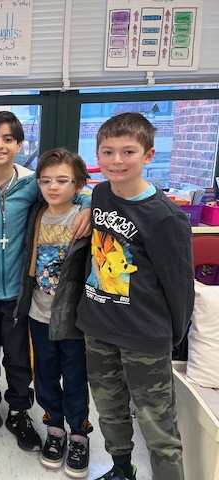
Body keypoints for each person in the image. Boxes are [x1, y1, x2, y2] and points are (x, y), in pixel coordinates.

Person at [0, 110, 91, 448]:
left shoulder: (31, 185)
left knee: (16, 357)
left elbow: (73, 192)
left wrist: (87, 204)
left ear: (18, 144)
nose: (0, 146)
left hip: (16, 294)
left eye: (8, 139)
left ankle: (17, 411)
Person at [77, 113, 194, 480]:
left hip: (145, 336)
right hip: (98, 327)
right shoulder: (99, 193)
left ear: (148, 155)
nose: (116, 161)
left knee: (157, 423)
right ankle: (121, 470)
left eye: (128, 151)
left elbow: (179, 288)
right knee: (109, 411)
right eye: (107, 152)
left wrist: (172, 339)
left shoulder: (166, 218)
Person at [14, 148, 93, 478]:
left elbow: (101, 193)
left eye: (62, 180)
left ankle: (78, 434)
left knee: (75, 375)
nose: (53, 187)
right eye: (45, 180)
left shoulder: (85, 214)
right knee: (44, 373)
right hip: (38, 311)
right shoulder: (35, 212)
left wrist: (90, 205)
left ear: (77, 184)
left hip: (73, 315)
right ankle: (55, 429)